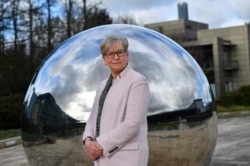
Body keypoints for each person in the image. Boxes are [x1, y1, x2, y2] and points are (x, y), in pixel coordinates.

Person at [82, 35, 150, 166]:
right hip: (102, 158)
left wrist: (99, 146)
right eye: (110, 54)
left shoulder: (137, 81)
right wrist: (88, 141)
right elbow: (92, 118)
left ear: (127, 55)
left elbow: (132, 123)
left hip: (127, 158)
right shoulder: (102, 86)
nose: (116, 57)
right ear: (104, 59)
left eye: (120, 52)